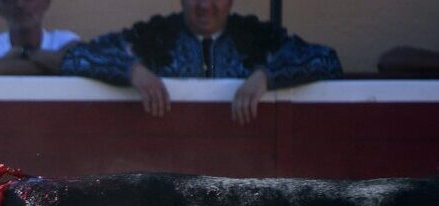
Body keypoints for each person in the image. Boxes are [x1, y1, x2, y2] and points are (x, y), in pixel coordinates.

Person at [59, 0, 341, 123]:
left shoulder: (258, 38)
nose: (205, 5)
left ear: (231, 1)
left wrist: (266, 76)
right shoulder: (155, 37)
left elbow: (327, 60)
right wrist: (131, 70)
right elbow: (76, 57)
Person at [0, 0, 80, 75]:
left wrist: (25, 53)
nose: (20, 4)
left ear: (46, 3)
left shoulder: (64, 40)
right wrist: (52, 66)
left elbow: (77, 65)